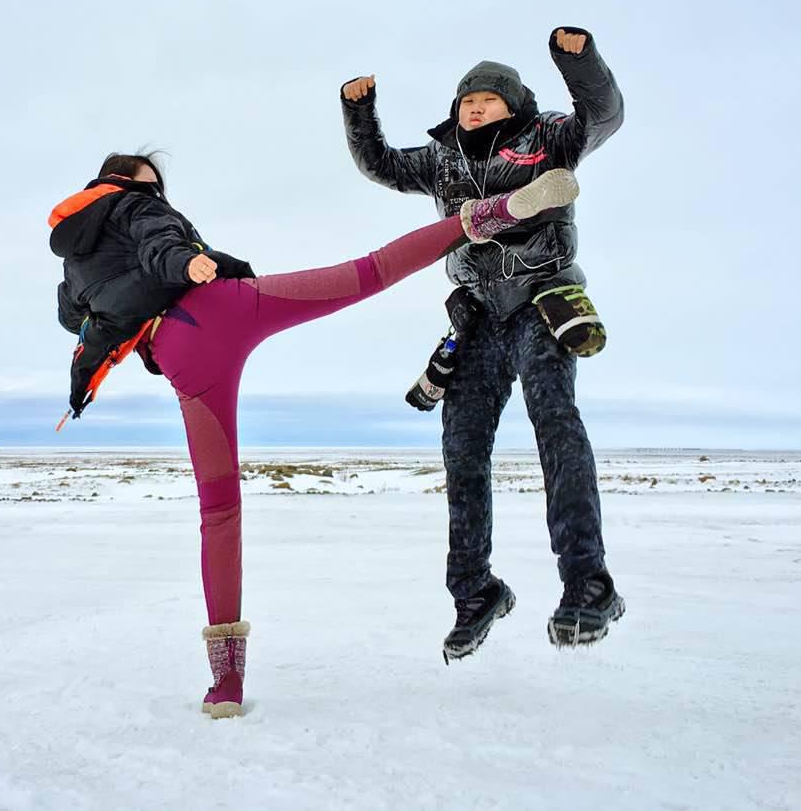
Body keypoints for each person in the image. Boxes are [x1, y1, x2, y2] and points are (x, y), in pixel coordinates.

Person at [49, 152, 581, 716]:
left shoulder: (74, 254)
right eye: (150, 183)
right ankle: (489, 216)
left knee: (219, 512)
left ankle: (226, 684)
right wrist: (186, 263)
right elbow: (158, 238)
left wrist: (181, 271)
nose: (159, 195)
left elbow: (73, 317)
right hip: (214, 308)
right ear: (120, 179)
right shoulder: (135, 205)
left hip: (179, 356)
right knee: (366, 273)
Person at [340, 26, 626, 658]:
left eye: (489, 98)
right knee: (462, 451)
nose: (475, 105)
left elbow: (604, 115)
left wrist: (577, 61)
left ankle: (588, 583)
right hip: (475, 316)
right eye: (467, 98)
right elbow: (380, 165)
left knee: (556, 424)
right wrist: (359, 111)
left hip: (539, 301)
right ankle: (475, 591)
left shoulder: (547, 136)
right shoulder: (441, 158)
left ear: (515, 102)